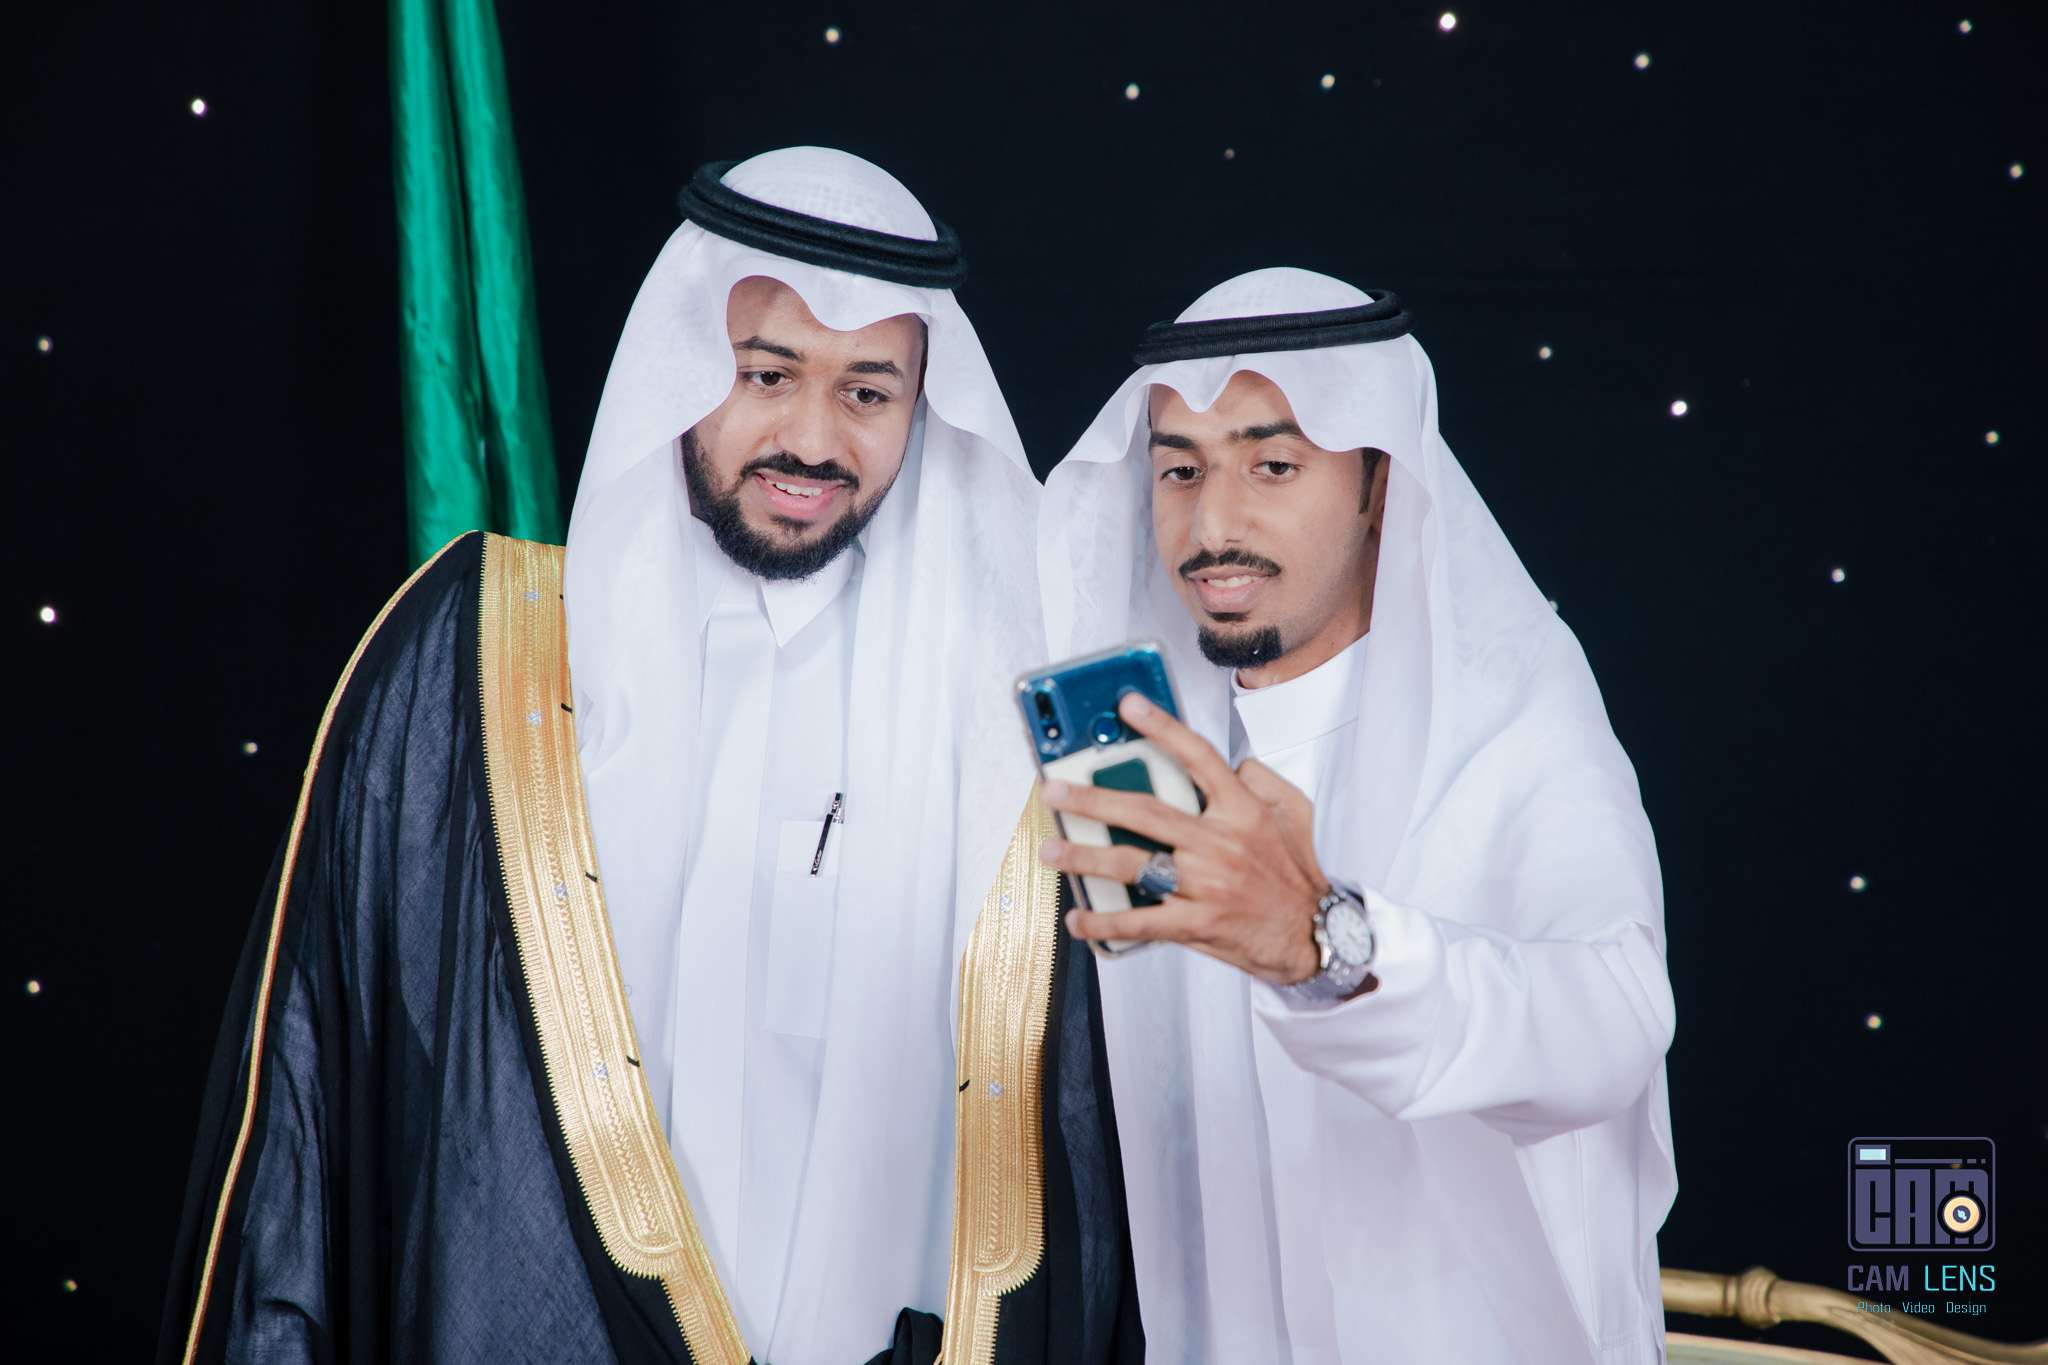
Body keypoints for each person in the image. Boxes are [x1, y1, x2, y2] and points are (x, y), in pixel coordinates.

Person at [160, 148, 1141, 1365]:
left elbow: (1161, 1114)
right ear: (681, 364)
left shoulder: (1060, 700)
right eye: (765, 374)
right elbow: (313, 1108)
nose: (811, 438)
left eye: (866, 392)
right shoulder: (476, 656)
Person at [1036, 267, 1677, 1364]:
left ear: (1378, 481)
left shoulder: (1506, 705)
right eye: (1179, 469)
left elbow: (1613, 1025)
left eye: (1272, 465)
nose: (1212, 523)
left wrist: (1322, 943)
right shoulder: (1155, 742)